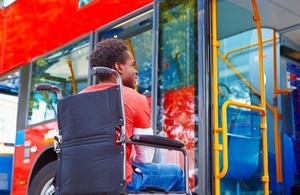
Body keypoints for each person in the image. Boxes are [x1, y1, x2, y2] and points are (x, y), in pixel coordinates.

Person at [82, 38, 185, 192]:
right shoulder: (134, 97)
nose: (136, 71)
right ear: (118, 67)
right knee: (177, 174)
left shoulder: (79, 98)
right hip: (119, 181)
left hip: (78, 181)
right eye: (133, 65)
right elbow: (144, 158)